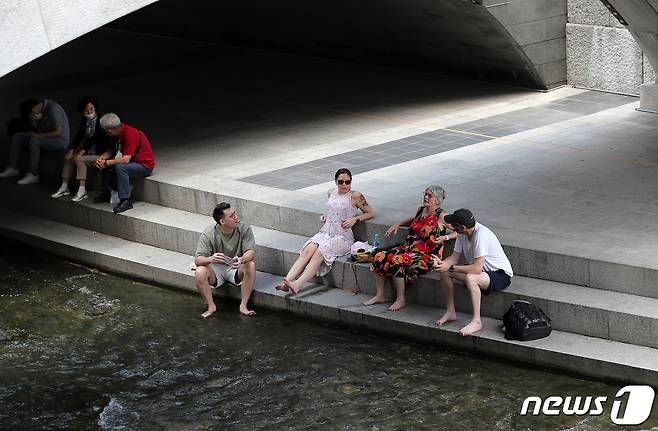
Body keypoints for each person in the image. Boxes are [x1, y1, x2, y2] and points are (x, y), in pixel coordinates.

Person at [276, 168, 374, 294]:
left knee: (319, 252)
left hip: (342, 237)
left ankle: (297, 284)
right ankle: (287, 281)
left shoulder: (355, 196)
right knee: (307, 250)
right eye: (341, 182)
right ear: (335, 181)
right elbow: (331, 210)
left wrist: (355, 219)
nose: (344, 185)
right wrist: (324, 215)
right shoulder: (331, 193)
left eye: (347, 182)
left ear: (351, 182)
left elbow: (370, 213)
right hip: (325, 232)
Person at [364, 186, 454, 311]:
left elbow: (459, 231)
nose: (426, 197)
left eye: (429, 195)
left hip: (427, 256)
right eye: (425, 194)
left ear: (437, 200)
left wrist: (446, 237)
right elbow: (414, 220)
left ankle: (401, 299)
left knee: (398, 260)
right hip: (409, 248)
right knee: (379, 256)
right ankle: (380, 295)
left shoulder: (442, 216)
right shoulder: (421, 210)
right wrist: (399, 224)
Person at [432, 208, 513, 337]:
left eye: (454, 225)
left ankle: (476, 321)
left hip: (500, 274)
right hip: (481, 272)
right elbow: (454, 258)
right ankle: (450, 312)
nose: (451, 227)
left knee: (471, 278)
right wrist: (441, 264)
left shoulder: (481, 235)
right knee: (444, 272)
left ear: (462, 227)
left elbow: (476, 269)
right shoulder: (462, 234)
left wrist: (451, 267)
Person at [194, 202, 257, 318]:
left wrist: (242, 259)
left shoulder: (244, 228)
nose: (236, 217)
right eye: (232, 216)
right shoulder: (209, 233)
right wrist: (210, 258)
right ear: (222, 222)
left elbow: (251, 252)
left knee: (251, 265)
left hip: (235, 267)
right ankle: (211, 306)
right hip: (216, 269)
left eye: (235, 214)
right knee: (199, 272)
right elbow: (198, 260)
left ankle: (243, 306)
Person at [51, 97, 112, 202]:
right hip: (89, 153)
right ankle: (64, 187)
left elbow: (93, 139)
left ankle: (82, 190)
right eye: (86, 110)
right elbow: (79, 135)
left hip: (101, 154)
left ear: (95, 108)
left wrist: (80, 153)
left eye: (91, 109)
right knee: (69, 158)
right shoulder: (86, 120)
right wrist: (71, 150)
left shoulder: (102, 121)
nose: (89, 112)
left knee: (79, 158)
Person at [0, 97, 70, 185]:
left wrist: (38, 136)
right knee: (18, 136)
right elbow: (37, 128)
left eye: (30, 114)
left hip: (59, 141)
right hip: (46, 136)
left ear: (34, 109)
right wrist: (33, 120)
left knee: (34, 141)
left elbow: (58, 132)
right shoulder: (39, 111)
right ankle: (14, 168)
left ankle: (33, 174)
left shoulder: (53, 109)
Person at [95, 113, 155, 214]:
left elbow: (126, 159)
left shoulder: (129, 134)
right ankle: (107, 192)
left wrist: (107, 163)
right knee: (106, 165)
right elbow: (111, 150)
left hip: (144, 166)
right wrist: (101, 159)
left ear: (109, 130)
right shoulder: (116, 132)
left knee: (120, 167)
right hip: (132, 163)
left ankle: (125, 200)